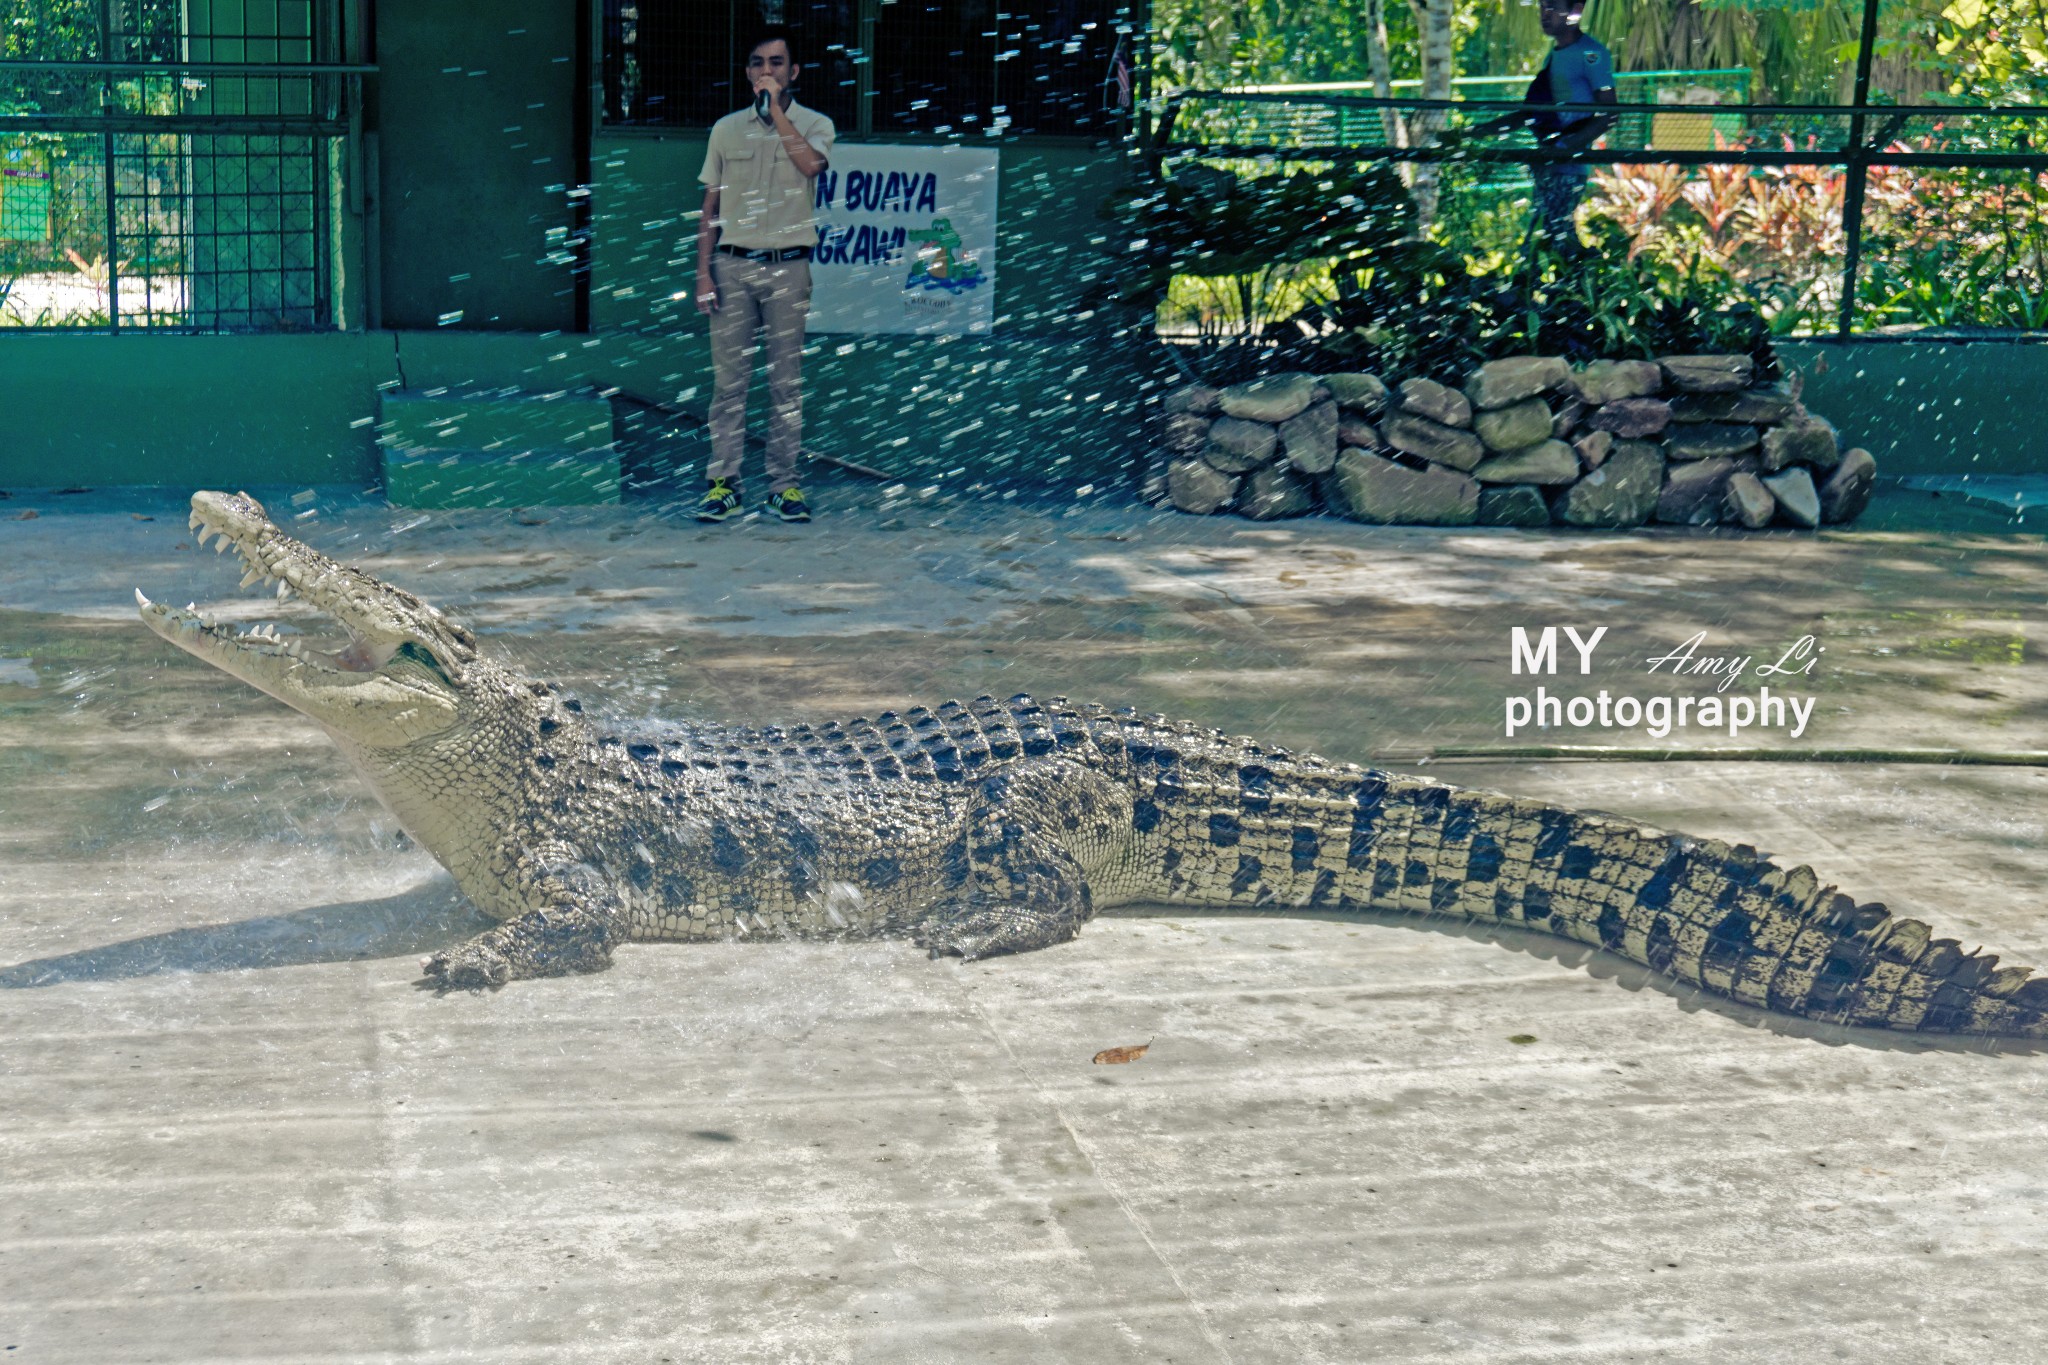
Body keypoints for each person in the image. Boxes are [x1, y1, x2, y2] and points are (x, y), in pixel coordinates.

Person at [692, 27, 835, 523]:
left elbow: (812, 165)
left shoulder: (815, 123)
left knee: (785, 385)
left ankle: (783, 486)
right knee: (729, 385)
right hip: (731, 267)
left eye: (777, 63)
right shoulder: (725, 130)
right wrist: (703, 276)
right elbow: (709, 205)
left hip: (789, 269)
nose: (766, 71)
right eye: (758, 63)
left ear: (792, 72)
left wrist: (775, 112)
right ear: (748, 72)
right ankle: (723, 484)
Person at [1465, 0, 1618, 255]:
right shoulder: (1554, 56)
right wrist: (1475, 132)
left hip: (1568, 168)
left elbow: (1609, 115)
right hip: (1549, 166)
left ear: (1575, 11)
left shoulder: (1592, 53)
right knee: (1548, 240)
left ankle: (1586, 278)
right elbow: (1530, 114)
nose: (1544, 15)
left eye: (1552, 8)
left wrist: (1564, 147)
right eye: (1542, 8)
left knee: (1556, 239)